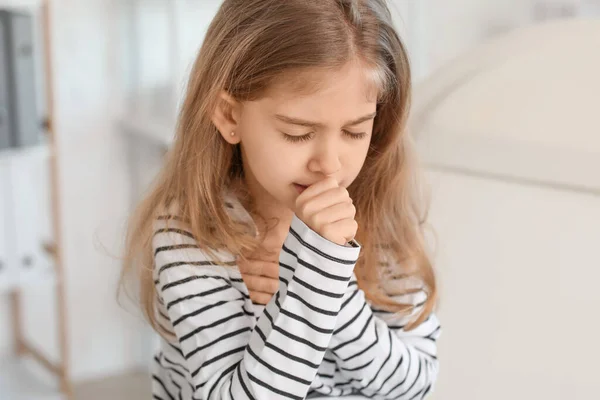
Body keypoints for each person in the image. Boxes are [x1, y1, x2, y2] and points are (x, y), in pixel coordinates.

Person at [120, 0, 441, 398]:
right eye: (298, 133)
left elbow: (413, 386)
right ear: (230, 116)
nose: (329, 165)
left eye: (355, 131)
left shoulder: (382, 216)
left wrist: (330, 290)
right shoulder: (193, 234)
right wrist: (312, 282)